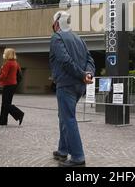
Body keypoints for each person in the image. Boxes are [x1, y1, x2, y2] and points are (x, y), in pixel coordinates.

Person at [50, 11, 95, 167]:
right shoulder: (79, 38)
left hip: (66, 84)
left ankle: (77, 157)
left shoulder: (57, 37)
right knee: (64, 116)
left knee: (68, 118)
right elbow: (90, 59)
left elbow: (65, 61)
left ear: (57, 23)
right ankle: (63, 150)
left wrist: (83, 74)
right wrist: (88, 74)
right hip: (79, 86)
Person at [0, 48, 24, 126]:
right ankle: (3, 121)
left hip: (8, 85)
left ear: (8, 54)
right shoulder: (15, 63)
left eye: (5, 53)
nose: (3, 54)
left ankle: (19, 114)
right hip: (13, 85)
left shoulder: (8, 63)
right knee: (6, 103)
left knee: (5, 104)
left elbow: (3, 76)